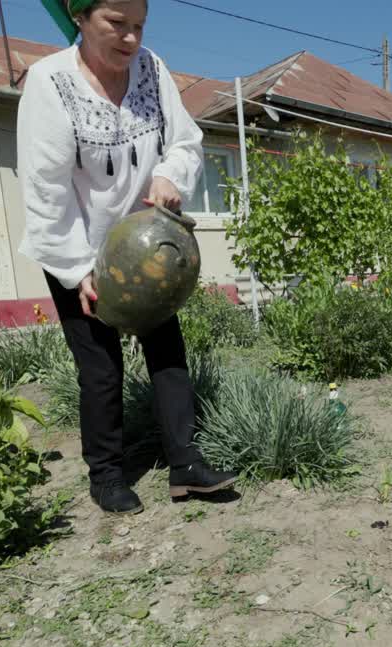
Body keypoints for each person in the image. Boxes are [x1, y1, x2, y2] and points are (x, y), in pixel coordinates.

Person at [18, 0, 237, 514]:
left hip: (144, 248)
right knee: (99, 367)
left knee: (167, 352)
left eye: (139, 26)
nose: (131, 39)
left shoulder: (152, 70)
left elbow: (186, 141)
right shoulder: (49, 84)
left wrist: (170, 175)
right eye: (117, 24)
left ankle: (186, 465)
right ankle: (107, 474)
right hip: (80, 247)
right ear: (80, 17)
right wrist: (77, 270)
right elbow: (45, 191)